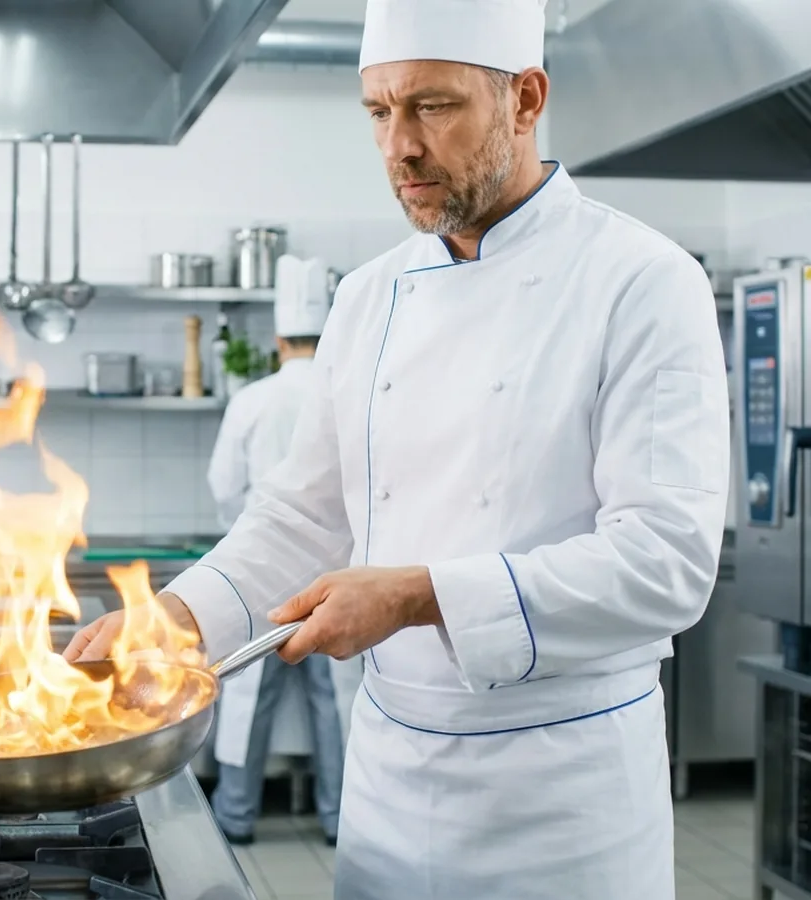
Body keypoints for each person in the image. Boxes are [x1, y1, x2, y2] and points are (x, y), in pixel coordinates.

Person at [66, 0, 730, 896]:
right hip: (389, 786)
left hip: (561, 801)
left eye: (433, 107)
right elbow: (305, 515)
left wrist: (419, 596)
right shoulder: (370, 296)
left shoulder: (643, 282)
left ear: (526, 99)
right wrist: (176, 619)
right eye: (379, 111)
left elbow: (666, 564)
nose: (398, 147)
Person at [205, 254, 347, 847]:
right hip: (342, 577)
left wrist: (242, 531)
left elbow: (222, 486)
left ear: (278, 338)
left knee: (247, 696)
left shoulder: (253, 399)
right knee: (336, 697)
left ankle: (236, 815)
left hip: (262, 576)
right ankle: (339, 817)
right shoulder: (345, 389)